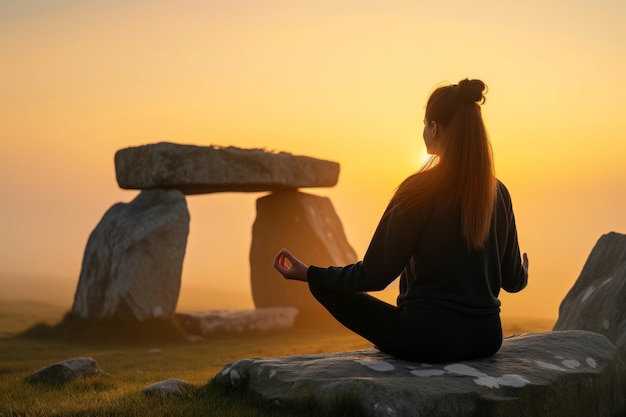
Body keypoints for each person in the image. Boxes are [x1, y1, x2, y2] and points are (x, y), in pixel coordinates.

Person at [273, 78, 529, 363]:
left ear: (434, 128)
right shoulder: (499, 192)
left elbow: (374, 275)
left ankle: (378, 327)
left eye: (425, 123)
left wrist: (309, 274)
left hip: (426, 339)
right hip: (486, 339)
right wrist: (524, 269)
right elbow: (513, 281)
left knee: (324, 285)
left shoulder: (419, 190)